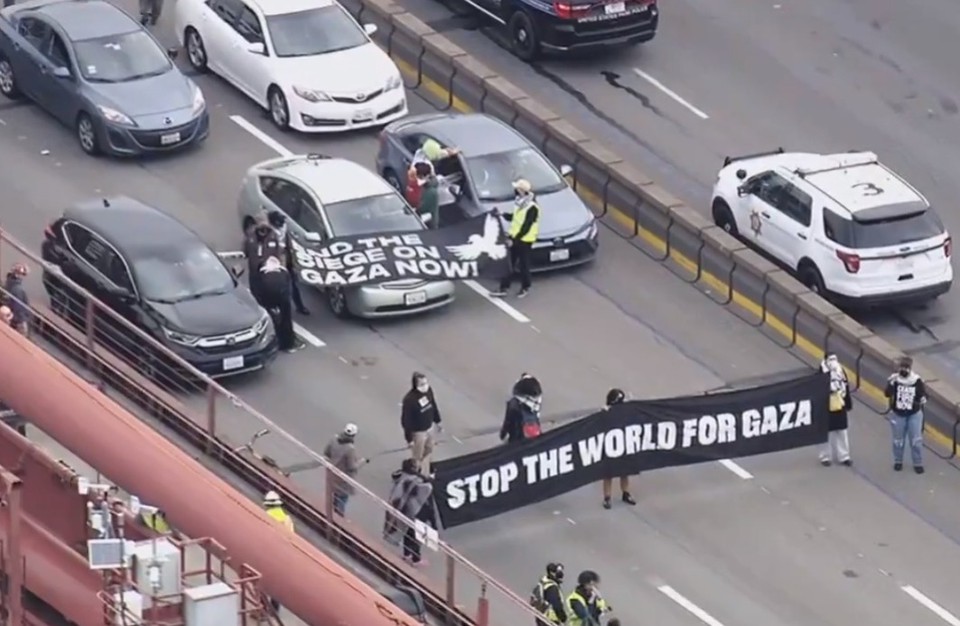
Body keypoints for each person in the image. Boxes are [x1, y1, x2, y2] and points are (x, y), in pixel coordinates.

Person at [489, 179, 540, 299]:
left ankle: (525, 287)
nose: (515, 190)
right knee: (508, 263)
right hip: (515, 237)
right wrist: (503, 215)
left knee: (523, 265)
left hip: (525, 240)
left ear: (521, 190)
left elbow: (526, 227)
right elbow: (515, 217)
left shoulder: (532, 207)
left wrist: (514, 240)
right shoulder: (520, 202)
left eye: (517, 188)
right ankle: (504, 287)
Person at [385, 459, 435, 566]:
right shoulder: (413, 480)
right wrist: (429, 480)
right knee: (415, 535)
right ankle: (416, 559)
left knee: (406, 531)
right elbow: (424, 490)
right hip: (411, 509)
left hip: (401, 508)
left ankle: (406, 554)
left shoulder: (401, 475)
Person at [885, 356, 927, 474]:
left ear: (910, 369)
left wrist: (923, 398)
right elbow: (887, 394)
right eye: (901, 368)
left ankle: (917, 462)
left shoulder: (916, 380)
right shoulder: (895, 380)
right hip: (898, 413)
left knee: (915, 440)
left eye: (906, 368)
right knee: (898, 440)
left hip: (914, 413)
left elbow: (922, 394)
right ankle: (898, 461)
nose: (903, 370)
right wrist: (891, 384)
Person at [266, 211, 310, 316]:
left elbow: (288, 241)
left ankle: (299, 306)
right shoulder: (268, 233)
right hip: (275, 262)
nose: (283, 224)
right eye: (280, 222)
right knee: (278, 286)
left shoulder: (284, 227)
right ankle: (276, 307)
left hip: (287, 259)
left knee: (293, 285)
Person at [259, 256, 304, 353]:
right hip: (282, 296)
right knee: (286, 320)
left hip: (267, 296)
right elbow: (289, 287)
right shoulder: (284, 272)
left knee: (271, 319)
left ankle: (273, 341)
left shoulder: (262, 272)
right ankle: (288, 344)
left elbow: (259, 287)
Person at [600, 388, 636, 508]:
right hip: (610, 446)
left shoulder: (624, 412)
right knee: (608, 473)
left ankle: (625, 493)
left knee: (624, 471)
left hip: (623, 444)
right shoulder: (605, 413)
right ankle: (607, 497)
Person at [401, 372, 442, 475]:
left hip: (429, 427)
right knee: (417, 453)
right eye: (422, 384)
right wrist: (409, 439)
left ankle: (422, 465)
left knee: (429, 448)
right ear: (416, 385)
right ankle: (416, 469)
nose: (425, 386)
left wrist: (438, 420)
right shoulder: (410, 399)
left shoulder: (429, 391)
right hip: (418, 431)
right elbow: (406, 420)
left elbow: (433, 404)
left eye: (426, 383)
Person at [322, 423, 367, 516]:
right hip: (343, 481)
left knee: (334, 497)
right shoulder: (350, 449)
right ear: (354, 435)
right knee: (341, 500)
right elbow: (352, 467)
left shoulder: (334, 439)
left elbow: (326, 453)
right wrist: (362, 462)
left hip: (332, 475)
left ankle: (332, 515)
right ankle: (338, 519)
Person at [819, 354, 852, 467]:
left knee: (842, 431)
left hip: (839, 404)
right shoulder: (821, 372)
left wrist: (848, 403)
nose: (833, 362)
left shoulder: (841, 371)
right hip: (826, 406)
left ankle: (844, 456)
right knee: (825, 433)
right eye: (830, 360)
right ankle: (825, 456)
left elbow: (846, 386)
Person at [500, 373, 543, 444]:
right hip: (528, 437)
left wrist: (503, 433)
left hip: (517, 438)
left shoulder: (514, 403)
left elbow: (508, 421)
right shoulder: (535, 405)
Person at [3, 263, 30, 336]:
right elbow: (19, 310)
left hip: (13, 318)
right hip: (18, 321)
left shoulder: (9, 284)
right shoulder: (17, 289)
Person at [414, 162, 441, 229]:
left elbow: (422, 207)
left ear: (422, 176)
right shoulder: (424, 186)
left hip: (427, 225)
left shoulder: (431, 192)